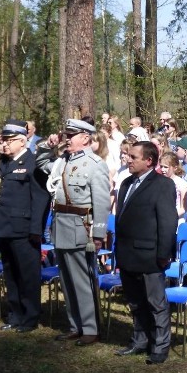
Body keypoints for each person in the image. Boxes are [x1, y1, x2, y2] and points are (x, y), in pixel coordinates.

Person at [37, 119, 111, 346]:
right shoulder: (62, 162)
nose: (66, 138)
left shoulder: (94, 164)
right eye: (66, 135)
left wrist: (98, 235)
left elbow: (101, 202)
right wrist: (47, 146)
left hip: (82, 229)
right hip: (60, 227)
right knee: (67, 281)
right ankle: (74, 325)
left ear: (86, 138)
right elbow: (40, 163)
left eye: (71, 135)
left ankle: (90, 328)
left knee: (81, 280)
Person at [114, 141, 178, 364]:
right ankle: (139, 340)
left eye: (133, 157)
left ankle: (160, 346)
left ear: (148, 160)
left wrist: (163, 254)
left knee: (155, 303)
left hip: (150, 254)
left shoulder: (163, 185)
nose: (128, 160)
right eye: (128, 156)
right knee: (135, 302)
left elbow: (168, 222)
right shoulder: (125, 183)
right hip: (127, 253)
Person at [0, 120, 47, 331]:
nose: (5, 144)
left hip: (24, 228)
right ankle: (15, 314)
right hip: (4, 227)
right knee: (10, 272)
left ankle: (30, 318)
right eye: (4, 140)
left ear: (22, 141)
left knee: (27, 275)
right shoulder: (3, 162)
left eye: (9, 140)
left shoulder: (33, 162)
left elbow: (40, 199)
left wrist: (36, 229)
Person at [158, 151, 187, 221]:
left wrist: (170, 216)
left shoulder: (181, 183)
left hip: (176, 220)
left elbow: (184, 208)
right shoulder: (159, 181)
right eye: (161, 166)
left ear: (175, 168)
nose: (162, 169)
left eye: (166, 167)